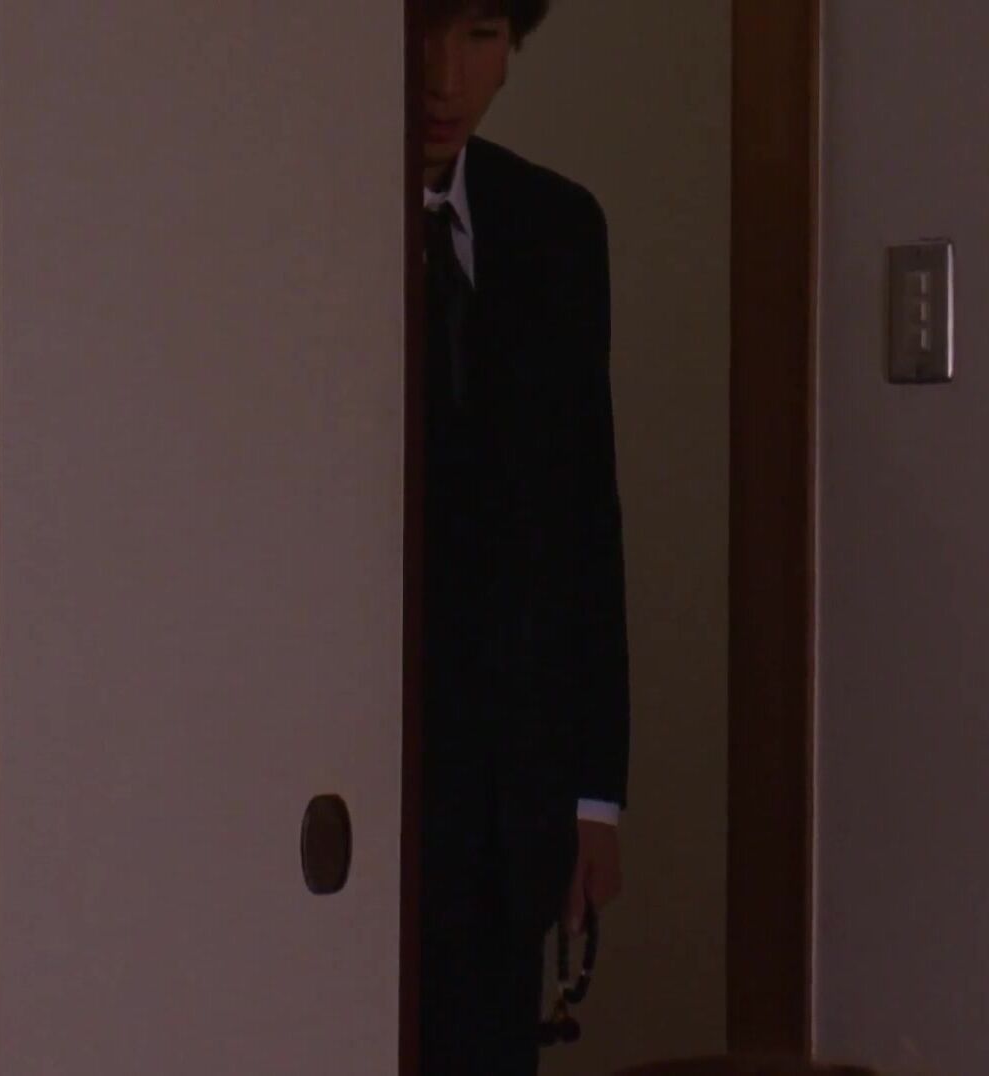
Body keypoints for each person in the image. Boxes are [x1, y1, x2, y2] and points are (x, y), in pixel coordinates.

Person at [419, 1, 630, 1072]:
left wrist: (594, 794)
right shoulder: (300, 214)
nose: (442, 78)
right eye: (419, 32)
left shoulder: (554, 227)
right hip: (358, 785)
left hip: (512, 801)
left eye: (479, 37)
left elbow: (585, 518)